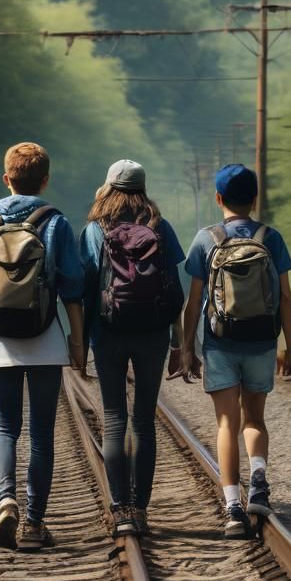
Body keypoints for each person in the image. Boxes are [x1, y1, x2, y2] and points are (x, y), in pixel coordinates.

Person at [0, 142, 86, 551]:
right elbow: (73, 289)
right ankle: (33, 523)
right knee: (43, 433)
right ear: (45, 180)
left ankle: (4, 499)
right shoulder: (56, 222)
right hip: (44, 339)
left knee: (5, 427)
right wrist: (78, 341)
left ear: (6, 178)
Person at [179, 164, 291, 538]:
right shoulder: (270, 238)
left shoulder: (205, 239)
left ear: (218, 198)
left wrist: (187, 348)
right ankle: (259, 480)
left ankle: (233, 505)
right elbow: (285, 298)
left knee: (226, 424)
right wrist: (290, 348)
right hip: (262, 341)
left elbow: (194, 299)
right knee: (255, 420)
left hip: (220, 342)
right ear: (255, 199)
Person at [79, 159, 185, 537]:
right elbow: (175, 289)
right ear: (143, 188)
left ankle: (120, 509)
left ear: (107, 188)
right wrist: (178, 342)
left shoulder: (95, 230)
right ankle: (141, 508)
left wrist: (81, 341)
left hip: (107, 331)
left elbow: (86, 287)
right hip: (153, 333)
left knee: (113, 418)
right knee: (144, 420)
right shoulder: (161, 227)